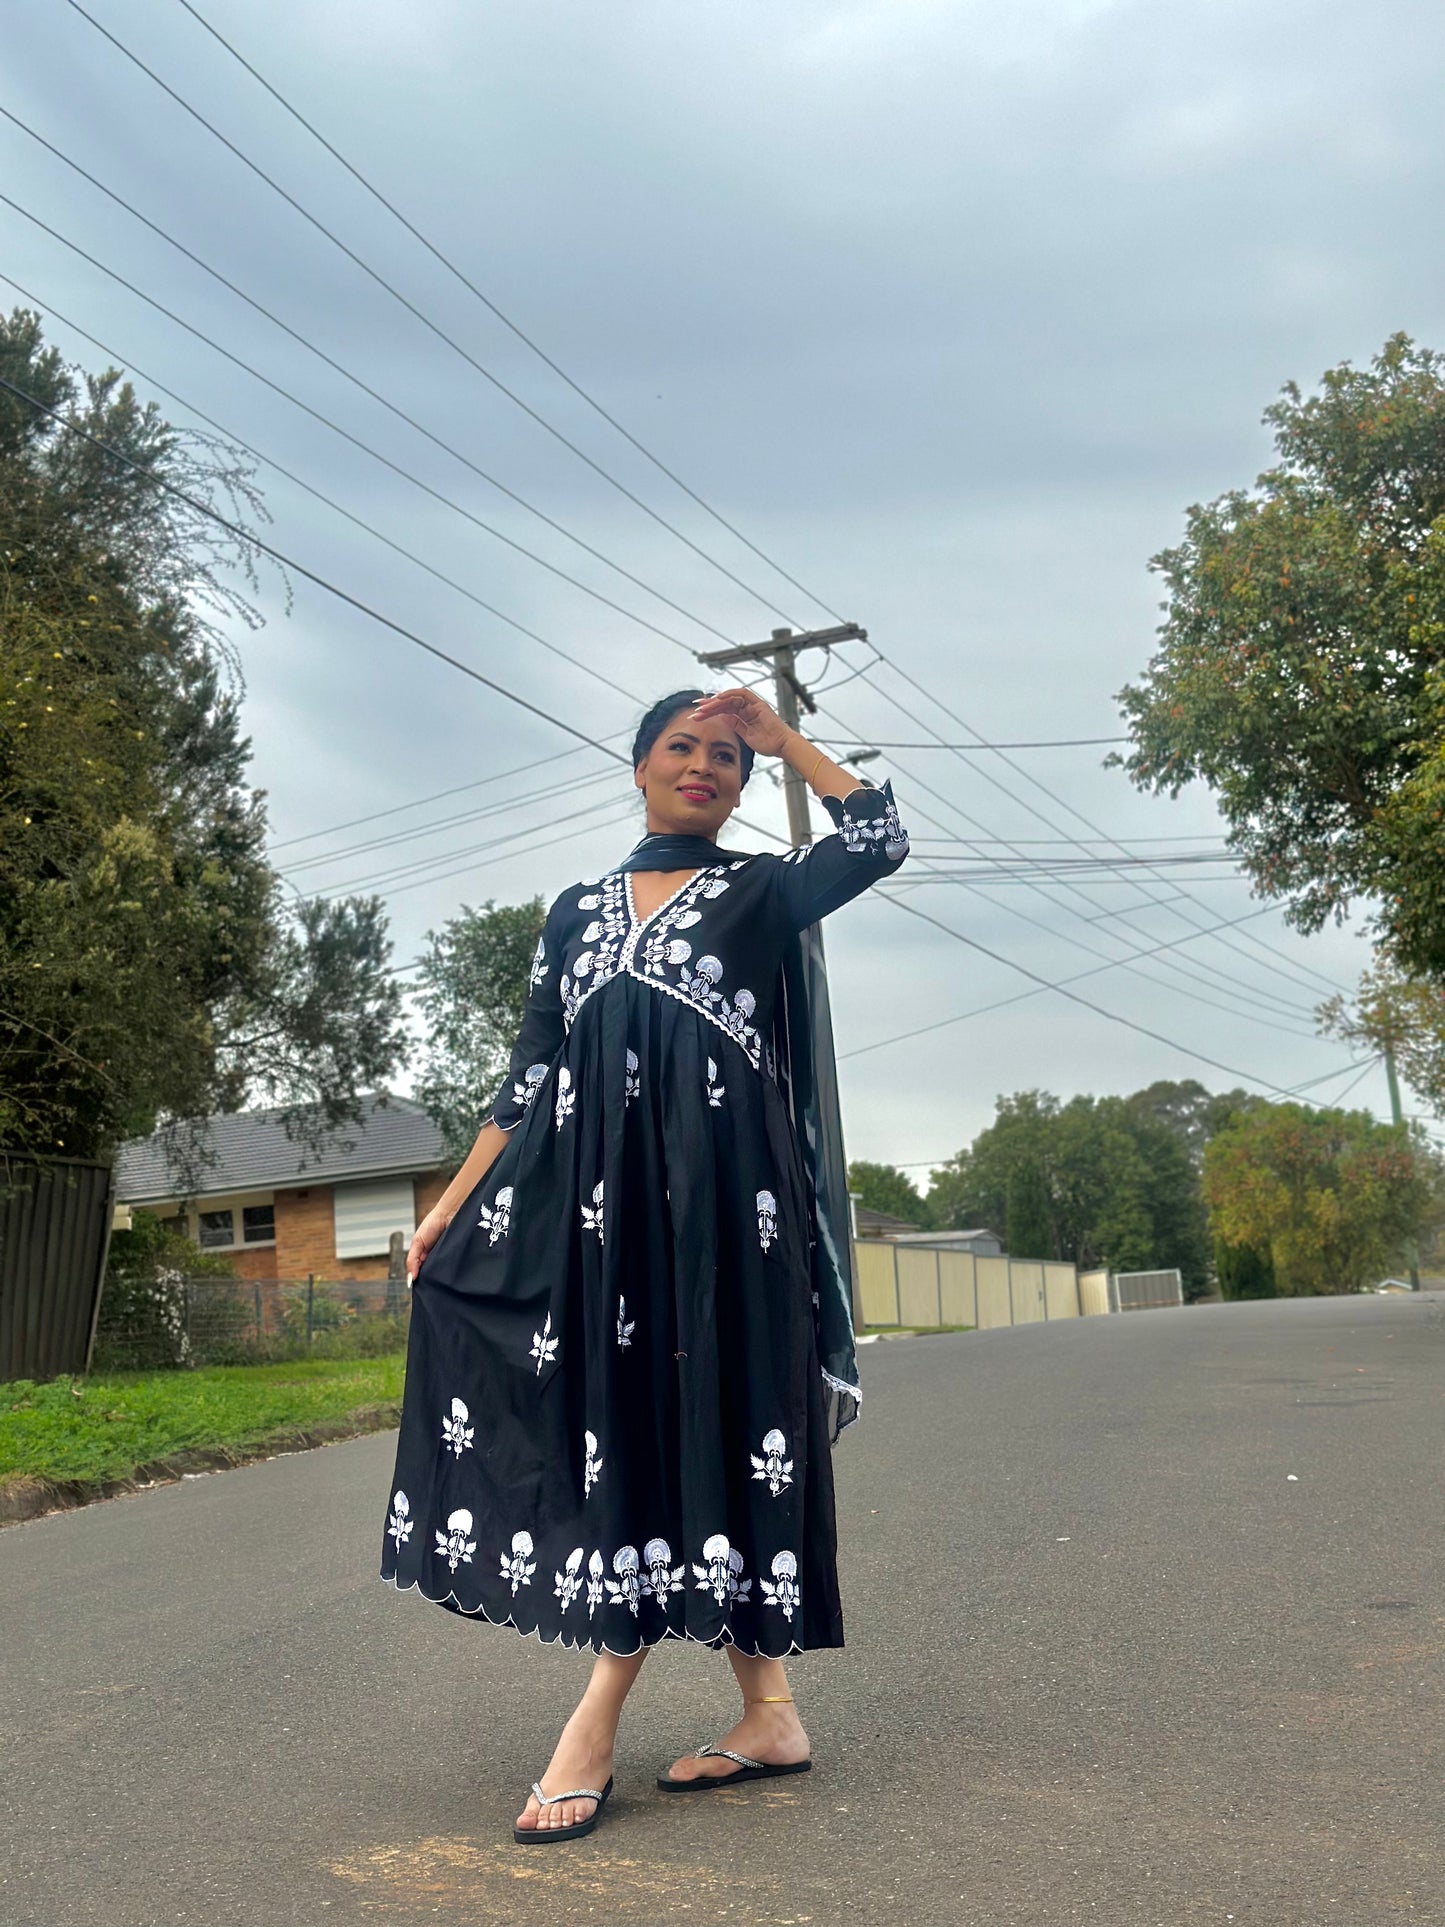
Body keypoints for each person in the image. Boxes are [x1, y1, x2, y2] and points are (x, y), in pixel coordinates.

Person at [380, 685, 909, 1842]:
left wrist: (785, 744)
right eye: (684, 748)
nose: (706, 766)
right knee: (638, 1425)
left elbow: (877, 835)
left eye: (725, 754)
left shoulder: (761, 890)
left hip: (733, 1222)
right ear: (637, 766)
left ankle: (594, 1721)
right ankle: (768, 1711)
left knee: (713, 1424)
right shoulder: (573, 911)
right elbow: (525, 1078)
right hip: (603, 1232)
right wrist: (447, 1208)